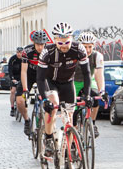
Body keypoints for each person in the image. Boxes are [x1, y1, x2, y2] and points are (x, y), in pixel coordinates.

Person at [37, 22, 91, 157]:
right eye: (60, 43)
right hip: (51, 82)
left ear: (71, 39)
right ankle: (48, 138)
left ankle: (68, 152)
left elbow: (87, 74)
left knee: (70, 118)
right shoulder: (47, 52)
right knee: (53, 106)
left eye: (66, 42)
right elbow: (40, 78)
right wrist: (45, 99)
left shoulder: (78, 49)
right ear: (55, 40)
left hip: (68, 83)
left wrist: (88, 95)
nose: (64, 46)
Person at [73, 31, 108, 137]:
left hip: (89, 80)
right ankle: (73, 132)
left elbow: (99, 74)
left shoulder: (97, 56)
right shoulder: (74, 55)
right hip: (74, 81)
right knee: (73, 108)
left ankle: (92, 122)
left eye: (90, 47)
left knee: (96, 98)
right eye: (84, 47)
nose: (87, 50)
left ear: (93, 46)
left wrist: (102, 90)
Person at [17, 30, 49, 135]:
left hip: (43, 75)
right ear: (34, 43)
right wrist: (25, 89)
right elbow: (23, 71)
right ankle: (27, 120)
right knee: (20, 101)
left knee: (50, 99)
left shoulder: (49, 51)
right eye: (38, 44)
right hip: (29, 75)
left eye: (42, 44)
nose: (40, 47)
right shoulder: (27, 51)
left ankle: (48, 126)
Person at [7, 47, 23, 116]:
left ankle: (23, 105)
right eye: (18, 53)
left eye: (20, 53)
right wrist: (12, 78)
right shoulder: (12, 59)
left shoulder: (25, 59)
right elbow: (10, 70)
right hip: (14, 76)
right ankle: (12, 107)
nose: (19, 54)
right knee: (13, 91)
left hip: (22, 76)